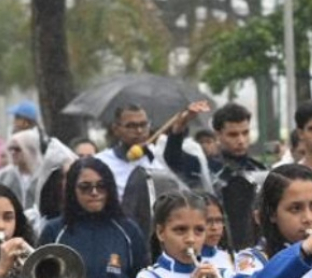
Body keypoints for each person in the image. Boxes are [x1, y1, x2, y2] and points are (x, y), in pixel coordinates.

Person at [98, 103, 211, 238]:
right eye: (131, 126)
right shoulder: (101, 163)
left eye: (143, 125)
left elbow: (174, 157)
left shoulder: (158, 154)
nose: (139, 131)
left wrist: (178, 128)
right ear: (116, 129)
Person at [210, 103, 268, 250]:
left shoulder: (259, 169)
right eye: (233, 135)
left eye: (245, 133)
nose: (241, 140)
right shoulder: (209, 170)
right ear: (218, 135)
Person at [161, 101, 219, 191]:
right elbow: (173, 157)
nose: (204, 146)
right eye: (201, 142)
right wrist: (179, 127)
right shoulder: (194, 162)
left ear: (217, 142)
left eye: (208, 142)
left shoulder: (222, 165)